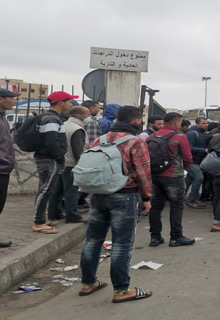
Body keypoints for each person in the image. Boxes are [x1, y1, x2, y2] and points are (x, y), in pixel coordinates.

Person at [79, 105, 153, 303]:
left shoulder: (100, 139)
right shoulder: (135, 141)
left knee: (93, 240)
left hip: (97, 193)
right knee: (122, 243)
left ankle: (88, 283)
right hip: (124, 195)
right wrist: (146, 198)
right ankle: (122, 290)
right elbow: (143, 172)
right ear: (136, 120)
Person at [147, 112, 195, 248]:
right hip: (174, 176)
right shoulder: (180, 136)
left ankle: (155, 237)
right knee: (176, 206)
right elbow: (187, 158)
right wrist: (183, 169)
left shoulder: (152, 136)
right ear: (176, 123)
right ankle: (176, 237)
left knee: (156, 206)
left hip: (155, 175)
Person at [32, 91, 77, 234]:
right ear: (60, 102)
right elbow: (51, 142)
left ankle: (41, 219)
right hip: (49, 159)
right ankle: (38, 222)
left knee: (45, 190)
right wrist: (59, 157)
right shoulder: (52, 119)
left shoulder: (54, 118)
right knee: (45, 190)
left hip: (48, 158)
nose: (71, 104)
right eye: (69, 101)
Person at [56, 106, 90, 224]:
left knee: (58, 190)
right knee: (72, 192)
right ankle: (73, 216)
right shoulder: (77, 129)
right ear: (78, 115)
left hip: (60, 162)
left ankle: (55, 213)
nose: (88, 117)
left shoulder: (63, 125)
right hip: (71, 164)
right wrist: (82, 166)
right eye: (87, 114)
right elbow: (78, 150)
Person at [0, 88, 20, 247]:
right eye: (12, 98)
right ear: (1, 99)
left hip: (4, 168)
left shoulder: (3, 118)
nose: (14, 101)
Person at [78, 100, 102, 210]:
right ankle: (78, 201)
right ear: (91, 109)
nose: (99, 110)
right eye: (98, 107)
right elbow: (92, 141)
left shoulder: (78, 120)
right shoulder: (91, 122)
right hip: (87, 155)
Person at [185, 117, 209, 208]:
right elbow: (189, 148)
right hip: (192, 161)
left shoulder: (203, 133)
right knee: (199, 178)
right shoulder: (192, 133)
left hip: (198, 161)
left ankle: (180, 198)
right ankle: (192, 199)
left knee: (189, 180)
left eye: (207, 123)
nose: (206, 125)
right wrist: (204, 150)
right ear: (197, 124)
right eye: (203, 123)